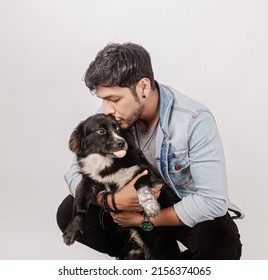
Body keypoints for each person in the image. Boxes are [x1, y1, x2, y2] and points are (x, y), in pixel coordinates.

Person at [57, 42, 244, 259]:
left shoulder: (194, 120)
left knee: (223, 245)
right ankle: (138, 256)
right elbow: (74, 173)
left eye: (113, 99)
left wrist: (143, 220)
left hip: (181, 204)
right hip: (129, 203)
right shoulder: (114, 115)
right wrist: (112, 201)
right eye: (103, 100)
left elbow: (213, 201)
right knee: (67, 212)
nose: (107, 109)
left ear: (143, 88)